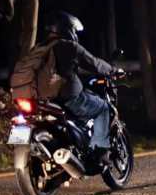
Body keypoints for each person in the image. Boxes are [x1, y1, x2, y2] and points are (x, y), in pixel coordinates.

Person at [40, 11, 118, 164]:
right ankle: (100, 151)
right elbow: (94, 63)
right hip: (69, 97)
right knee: (103, 108)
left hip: (44, 100)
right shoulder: (69, 47)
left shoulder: (39, 48)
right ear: (68, 30)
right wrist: (113, 70)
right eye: (74, 31)